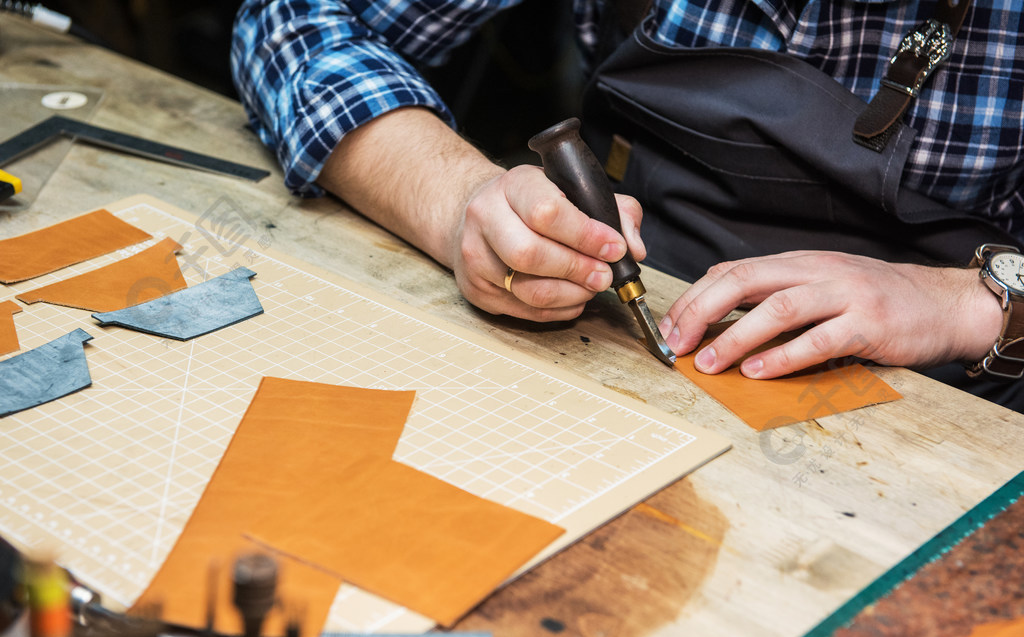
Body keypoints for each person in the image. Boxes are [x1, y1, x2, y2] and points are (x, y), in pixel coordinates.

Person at [230, 1, 1024, 408]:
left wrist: (970, 302)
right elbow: (290, 22)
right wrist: (458, 198)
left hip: (962, 388)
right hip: (616, 323)